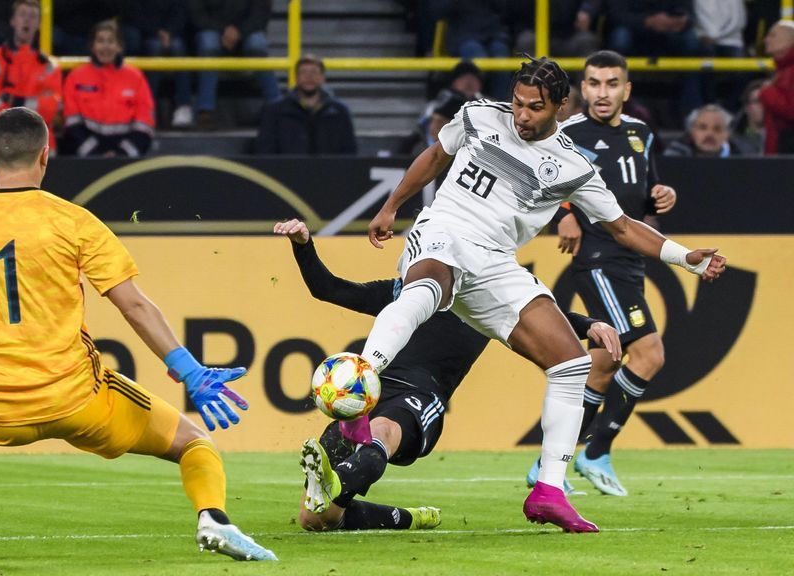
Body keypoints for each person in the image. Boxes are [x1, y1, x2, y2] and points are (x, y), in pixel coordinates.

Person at [0, 107, 277, 563]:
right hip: (79, 402)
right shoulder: (73, 221)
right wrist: (189, 371)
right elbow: (133, 304)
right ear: (45, 156)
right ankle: (214, 518)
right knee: (194, 443)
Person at [330, 55, 725, 533]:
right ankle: (358, 404)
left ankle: (548, 491)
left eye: (535, 107)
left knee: (572, 363)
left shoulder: (573, 166)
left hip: (495, 261)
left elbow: (622, 227)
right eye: (517, 103)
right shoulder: (479, 115)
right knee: (426, 290)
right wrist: (393, 205)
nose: (521, 115)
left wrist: (686, 257)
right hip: (445, 231)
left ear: (561, 106)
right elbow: (436, 155)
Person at [272, 219, 622, 532]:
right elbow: (329, 289)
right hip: (367, 391)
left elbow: (549, 319)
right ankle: (408, 517)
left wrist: (590, 325)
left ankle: (340, 479)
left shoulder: (492, 301)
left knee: (384, 431)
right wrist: (303, 245)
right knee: (318, 520)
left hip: (421, 397)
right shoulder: (405, 292)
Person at [527, 51, 679, 497]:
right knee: (649, 354)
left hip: (630, 260)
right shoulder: (567, 132)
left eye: (612, 84)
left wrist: (662, 195)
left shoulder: (641, 133)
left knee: (604, 364)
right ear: (582, 89)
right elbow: (540, 180)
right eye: (593, 83)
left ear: (626, 90)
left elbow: (643, 196)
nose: (602, 92)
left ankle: (549, 461)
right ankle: (597, 450)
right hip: (596, 259)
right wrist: (565, 213)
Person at [62, 19, 154, 157]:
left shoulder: (136, 78)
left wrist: (122, 154)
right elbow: (71, 123)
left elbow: (145, 123)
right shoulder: (75, 77)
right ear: (92, 46)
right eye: (100, 41)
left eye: (111, 41)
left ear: (120, 46)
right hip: (85, 156)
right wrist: (95, 154)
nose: (105, 47)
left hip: (126, 157)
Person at [0, 0, 62, 151]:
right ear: (13, 20)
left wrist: (14, 99)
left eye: (33, 16)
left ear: (39, 24)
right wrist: (32, 104)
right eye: (22, 14)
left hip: (41, 144)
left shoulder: (50, 65)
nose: (27, 20)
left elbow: (50, 110)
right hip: (3, 142)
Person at [189, 0, 279, 130]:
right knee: (208, 43)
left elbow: (261, 15)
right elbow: (197, 15)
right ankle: (205, 111)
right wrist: (224, 30)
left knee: (257, 44)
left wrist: (239, 32)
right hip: (213, 30)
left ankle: (276, 106)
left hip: (247, 31)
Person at [253, 55, 356, 155]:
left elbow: (349, 151)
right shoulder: (275, 110)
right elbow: (265, 150)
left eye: (314, 72)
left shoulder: (340, 111)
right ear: (296, 78)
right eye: (303, 72)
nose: (309, 77)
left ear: (322, 78)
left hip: (330, 171)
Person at [121, 0, 194, 129]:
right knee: (154, 47)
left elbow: (180, 10)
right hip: (145, 33)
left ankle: (183, 105)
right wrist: (156, 31)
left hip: (172, 33)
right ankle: (149, 107)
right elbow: (132, 13)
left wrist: (169, 31)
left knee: (178, 47)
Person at [759, 20, 794, 155]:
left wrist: (767, 92)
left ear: (790, 40)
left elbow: (791, 111)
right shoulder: (783, 70)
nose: (765, 40)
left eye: (772, 35)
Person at [664, 104, 740, 157]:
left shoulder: (738, 156)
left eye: (717, 129)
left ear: (726, 135)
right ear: (692, 132)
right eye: (703, 128)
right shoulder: (676, 153)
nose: (710, 134)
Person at [731, 78, 766, 156]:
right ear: (746, 107)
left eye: (766, 101)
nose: (763, 106)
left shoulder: (782, 138)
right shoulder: (735, 139)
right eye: (757, 101)